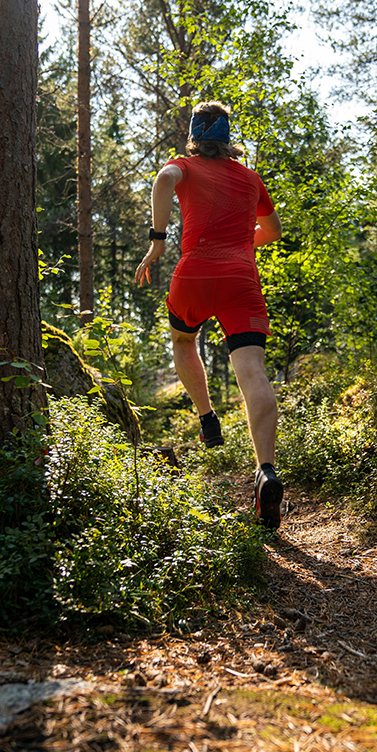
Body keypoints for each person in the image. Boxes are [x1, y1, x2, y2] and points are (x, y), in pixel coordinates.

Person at [134, 101, 285, 529]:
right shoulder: (251, 178)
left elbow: (164, 178)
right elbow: (272, 231)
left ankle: (207, 417)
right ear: (227, 138)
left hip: (195, 273)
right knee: (252, 370)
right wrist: (240, 245)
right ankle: (266, 471)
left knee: (184, 341)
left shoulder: (184, 165)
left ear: (196, 136)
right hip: (241, 279)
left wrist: (158, 241)